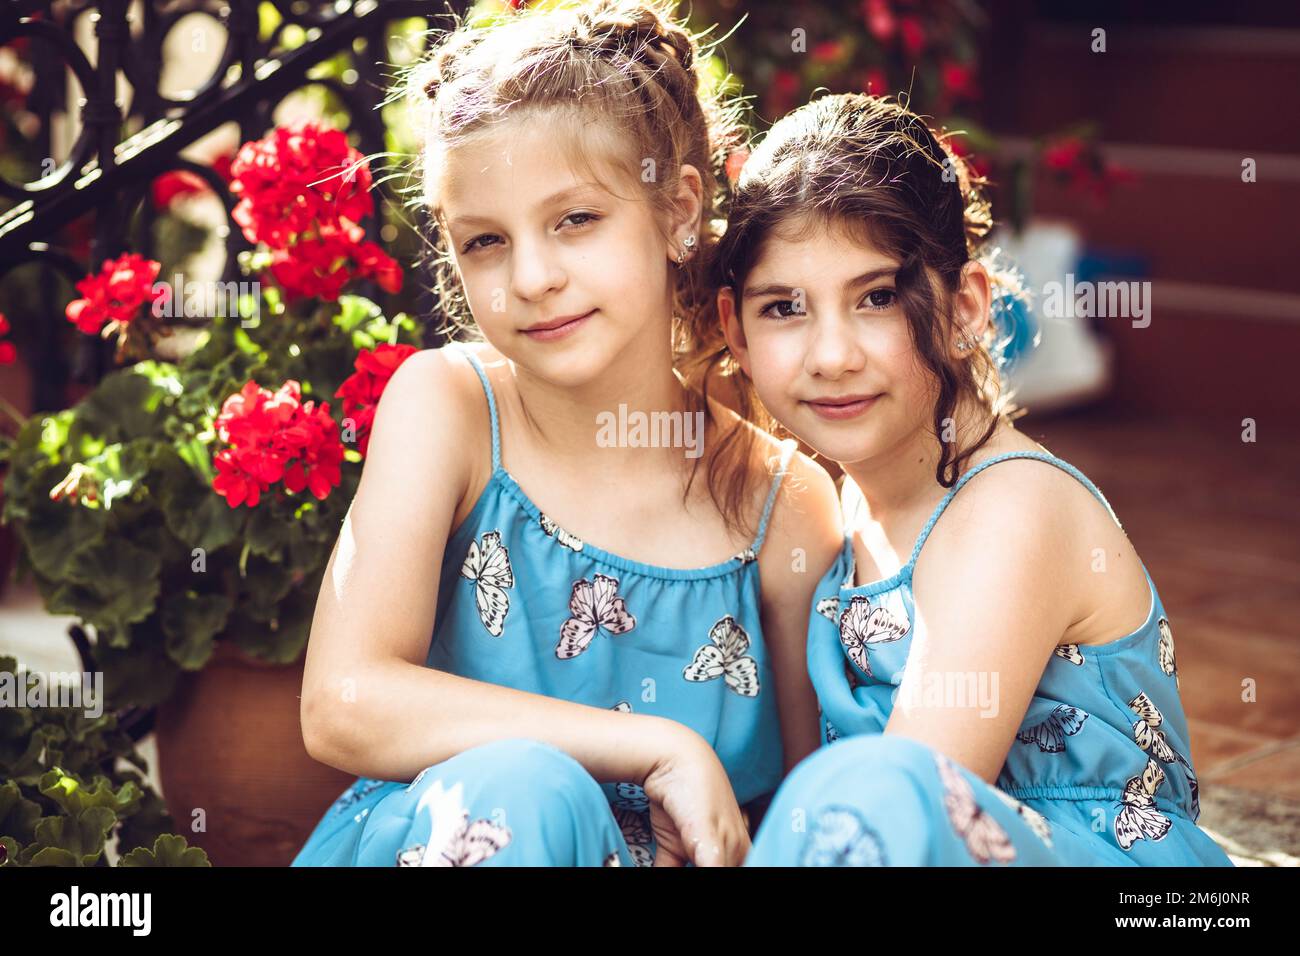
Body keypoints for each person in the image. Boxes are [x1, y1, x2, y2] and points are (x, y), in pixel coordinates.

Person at [291, 0, 841, 868]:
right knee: (523, 788)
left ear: (678, 210)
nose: (534, 277)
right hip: (456, 843)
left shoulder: (783, 507)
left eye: (575, 219)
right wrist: (659, 747)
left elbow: (807, 818)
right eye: (484, 242)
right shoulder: (451, 410)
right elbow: (342, 701)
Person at [711, 92, 1232, 866]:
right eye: (784, 307)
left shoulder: (1013, 507)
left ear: (964, 310)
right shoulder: (833, 512)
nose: (831, 354)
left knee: (881, 788)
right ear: (735, 332)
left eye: (877, 298)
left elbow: (909, 796)